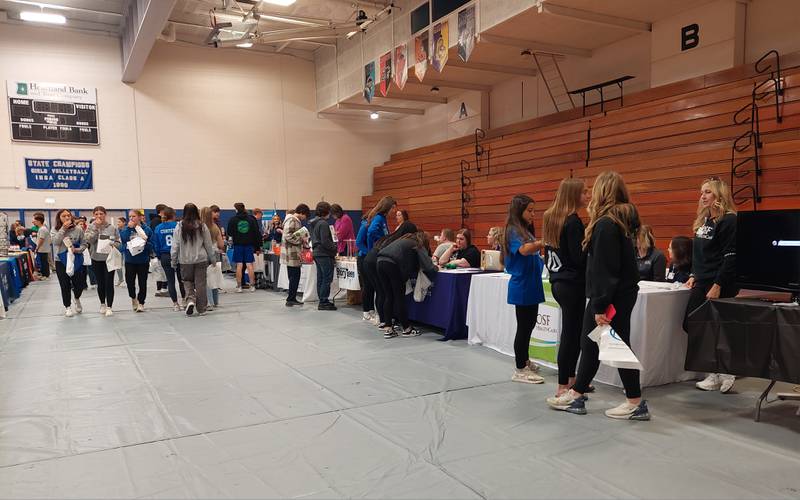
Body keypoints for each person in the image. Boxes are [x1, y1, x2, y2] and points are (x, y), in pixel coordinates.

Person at [547, 171, 650, 421]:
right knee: (595, 343)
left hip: (610, 296)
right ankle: (579, 392)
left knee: (611, 345)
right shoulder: (619, 221)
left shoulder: (606, 224)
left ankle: (633, 401)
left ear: (603, 192)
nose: (590, 194)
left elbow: (605, 268)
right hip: (618, 294)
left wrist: (600, 305)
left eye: (594, 190)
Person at [684, 177, 739, 393]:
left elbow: (731, 256)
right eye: (701, 192)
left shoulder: (729, 220)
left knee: (716, 326)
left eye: (708, 192)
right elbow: (699, 253)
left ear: (719, 195)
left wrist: (718, 284)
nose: (703, 196)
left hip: (720, 281)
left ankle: (725, 370)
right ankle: (714, 372)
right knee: (693, 323)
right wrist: (693, 274)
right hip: (703, 279)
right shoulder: (705, 220)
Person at [543, 178, 590, 397]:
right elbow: (578, 257)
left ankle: (570, 378)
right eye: (584, 193)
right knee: (572, 334)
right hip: (571, 283)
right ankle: (563, 384)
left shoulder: (551, 217)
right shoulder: (572, 221)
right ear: (573, 195)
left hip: (558, 280)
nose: (588, 196)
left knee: (572, 332)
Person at [499, 195, 546, 385]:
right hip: (523, 285)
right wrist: (543, 242)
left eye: (534, 210)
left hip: (532, 283)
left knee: (530, 325)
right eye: (530, 210)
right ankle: (520, 368)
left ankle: (525, 360)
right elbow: (525, 250)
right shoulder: (512, 231)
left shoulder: (526, 230)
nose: (533, 214)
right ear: (519, 211)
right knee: (524, 328)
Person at [377, 232, 438, 338]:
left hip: (380, 262)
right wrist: (436, 268)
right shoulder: (417, 244)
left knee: (388, 296)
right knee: (399, 297)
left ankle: (388, 328)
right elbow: (429, 266)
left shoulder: (402, 240)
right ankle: (407, 329)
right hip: (392, 265)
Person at [171, 203, 216, 316]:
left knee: (187, 281)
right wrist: (213, 259)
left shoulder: (179, 226)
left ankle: (190, 300)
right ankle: (201, 309)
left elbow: (175, 245)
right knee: (201, 283)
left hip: (185, 260)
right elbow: (208, 244)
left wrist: (173, 260)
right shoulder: (202, 225)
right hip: (201, 259)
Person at [364, 196, 397, 327]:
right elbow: (371, 232)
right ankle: (383, 319)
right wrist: (379, 244)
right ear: (388, 207)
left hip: (375, 255)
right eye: (393, 208)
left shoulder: (382, 218)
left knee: (381, 290)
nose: (395, 211)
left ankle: (382, 318)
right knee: (381, 290)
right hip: (375, 255)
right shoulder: (378, 218)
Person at [84, 206, 120, 316]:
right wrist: (96, 228)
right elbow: (88, 239)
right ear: (94, 215)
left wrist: (113, 244)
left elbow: (118, 241)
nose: (99, 216)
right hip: (96, 258)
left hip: (109, 258)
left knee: (109, 282)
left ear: (105, 214)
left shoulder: (112, 227)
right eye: (96, 214)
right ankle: (102, 303)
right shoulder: (90, 227)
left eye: (101, 214)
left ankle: (109, 306)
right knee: (101, 283)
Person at [51, 209, 87, 317]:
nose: (67, 217)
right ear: (59, 218)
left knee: (79, 284)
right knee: (64, 285)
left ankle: (76, 297)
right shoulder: (55, 229)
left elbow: (84, 243)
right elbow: (55, 242)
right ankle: (67, 307)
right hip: (60, 260)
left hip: (75, 259)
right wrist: (63, 229)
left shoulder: (78, 229)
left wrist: (78, 250)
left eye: (68, 215)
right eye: (63, 216)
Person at [120, 209, 154, 312]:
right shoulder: (126, 229)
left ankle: (141, 302)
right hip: (130, 260)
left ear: (140, 217)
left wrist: (144, 243)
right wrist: (128, 229)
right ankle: (133, 298)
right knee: (130, 282)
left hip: (142, 260)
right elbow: (123, 241)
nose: (131, 218)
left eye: (133, 216)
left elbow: (151, 245)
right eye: (130, 216)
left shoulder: (147, 229)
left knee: (142, 282)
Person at [153, 207, 186, 311]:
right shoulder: (178, 226)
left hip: (165, 256)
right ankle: (184, 300)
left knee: (170, 281)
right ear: (173, 215)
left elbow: (156, 244)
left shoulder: (158, 228)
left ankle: (175, 304)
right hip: (179, 254)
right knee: (182, 280)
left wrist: (159, 256)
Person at [280, 203, 311, 307]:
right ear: (302, 213)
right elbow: (287, 235)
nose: (304, 218)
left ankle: (291, 298)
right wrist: (300, 239)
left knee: (293, 276)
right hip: (292, 252)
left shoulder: (291, 219)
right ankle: (291, 298)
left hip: (291, 252)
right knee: (295, 276)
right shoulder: (293, 220)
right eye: (305, 216)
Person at [309, 202, 338, 311]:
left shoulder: (314, 223)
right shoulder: (323, 224)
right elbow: (325, 241)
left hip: (317, 253)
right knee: (327, 278)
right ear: (326, 211)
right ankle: (324, 301)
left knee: (321, 277)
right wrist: (335, 248)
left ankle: (322, 299)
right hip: (324, 254)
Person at [226, 202, 260, 293]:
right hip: (249, 245)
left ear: (236, 210)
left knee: (239, 265)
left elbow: (229, 233)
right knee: (249, 265)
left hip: (238, 245)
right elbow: (257, 233)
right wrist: (257, 247)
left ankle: (239, 287)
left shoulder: (232, 220)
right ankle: (252, 286)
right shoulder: (251, 219)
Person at [201, 206, 225, 310]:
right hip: (215, 254)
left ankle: (208, 302)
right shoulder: (215, 227)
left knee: (205, 280)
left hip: (203, 255)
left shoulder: (199, 227)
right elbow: (221, 244)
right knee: (214, 279)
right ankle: (215, 301)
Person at [151, 204, 168, 297]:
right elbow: (157, 237)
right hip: (159, 249)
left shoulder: (154, 221)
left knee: (159, 270)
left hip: (156, 249)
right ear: (161, 211)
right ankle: (163, 288)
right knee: (162, 269)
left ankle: (159, 289)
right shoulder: (158, 222)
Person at [76, 216, 97, 290]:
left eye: (82, 224)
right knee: (79, 270)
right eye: (79, 224)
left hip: (86, 252)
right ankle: (80, 285)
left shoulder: (86, 232)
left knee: (87, 268)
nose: (81, 225)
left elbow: (89, 242)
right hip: (77, 253)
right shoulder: (75, 233)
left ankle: (91, 283)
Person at [33, 213, 52, 280]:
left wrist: (37, 247)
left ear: (39, 221)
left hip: (43, 249)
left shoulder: (42, 229)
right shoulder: (41, 228)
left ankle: (45, 275)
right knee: (43, 262)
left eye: (35, 221)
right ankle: (45, 274)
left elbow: (41, 239)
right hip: (43, 248)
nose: (34, 222)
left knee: (44, 262)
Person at [115, 217, 126, 286]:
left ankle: (127, 280)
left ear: (124, 223)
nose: (118, 223)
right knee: (118, 266)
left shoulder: (127, 230)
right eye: (118, 222)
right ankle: (121, 279)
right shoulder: (116, 230)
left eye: (119, 222)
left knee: (127, 266)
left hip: (127, 250)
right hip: (119, 250)